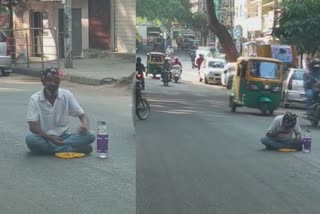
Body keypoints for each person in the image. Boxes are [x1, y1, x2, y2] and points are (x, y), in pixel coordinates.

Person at [25, 67, 95, 155]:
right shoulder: (35, 99)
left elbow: (82, 115)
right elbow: (33, 127)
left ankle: (50, 150)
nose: (54, 84)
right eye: (50, 81)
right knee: (31, 139)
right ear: (43, 82)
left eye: (56, 81)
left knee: (91, 135)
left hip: (64, 137)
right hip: (45, 137)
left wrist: (85, 126)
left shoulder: (66, 95)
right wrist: (50, 138)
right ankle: (72, 149)